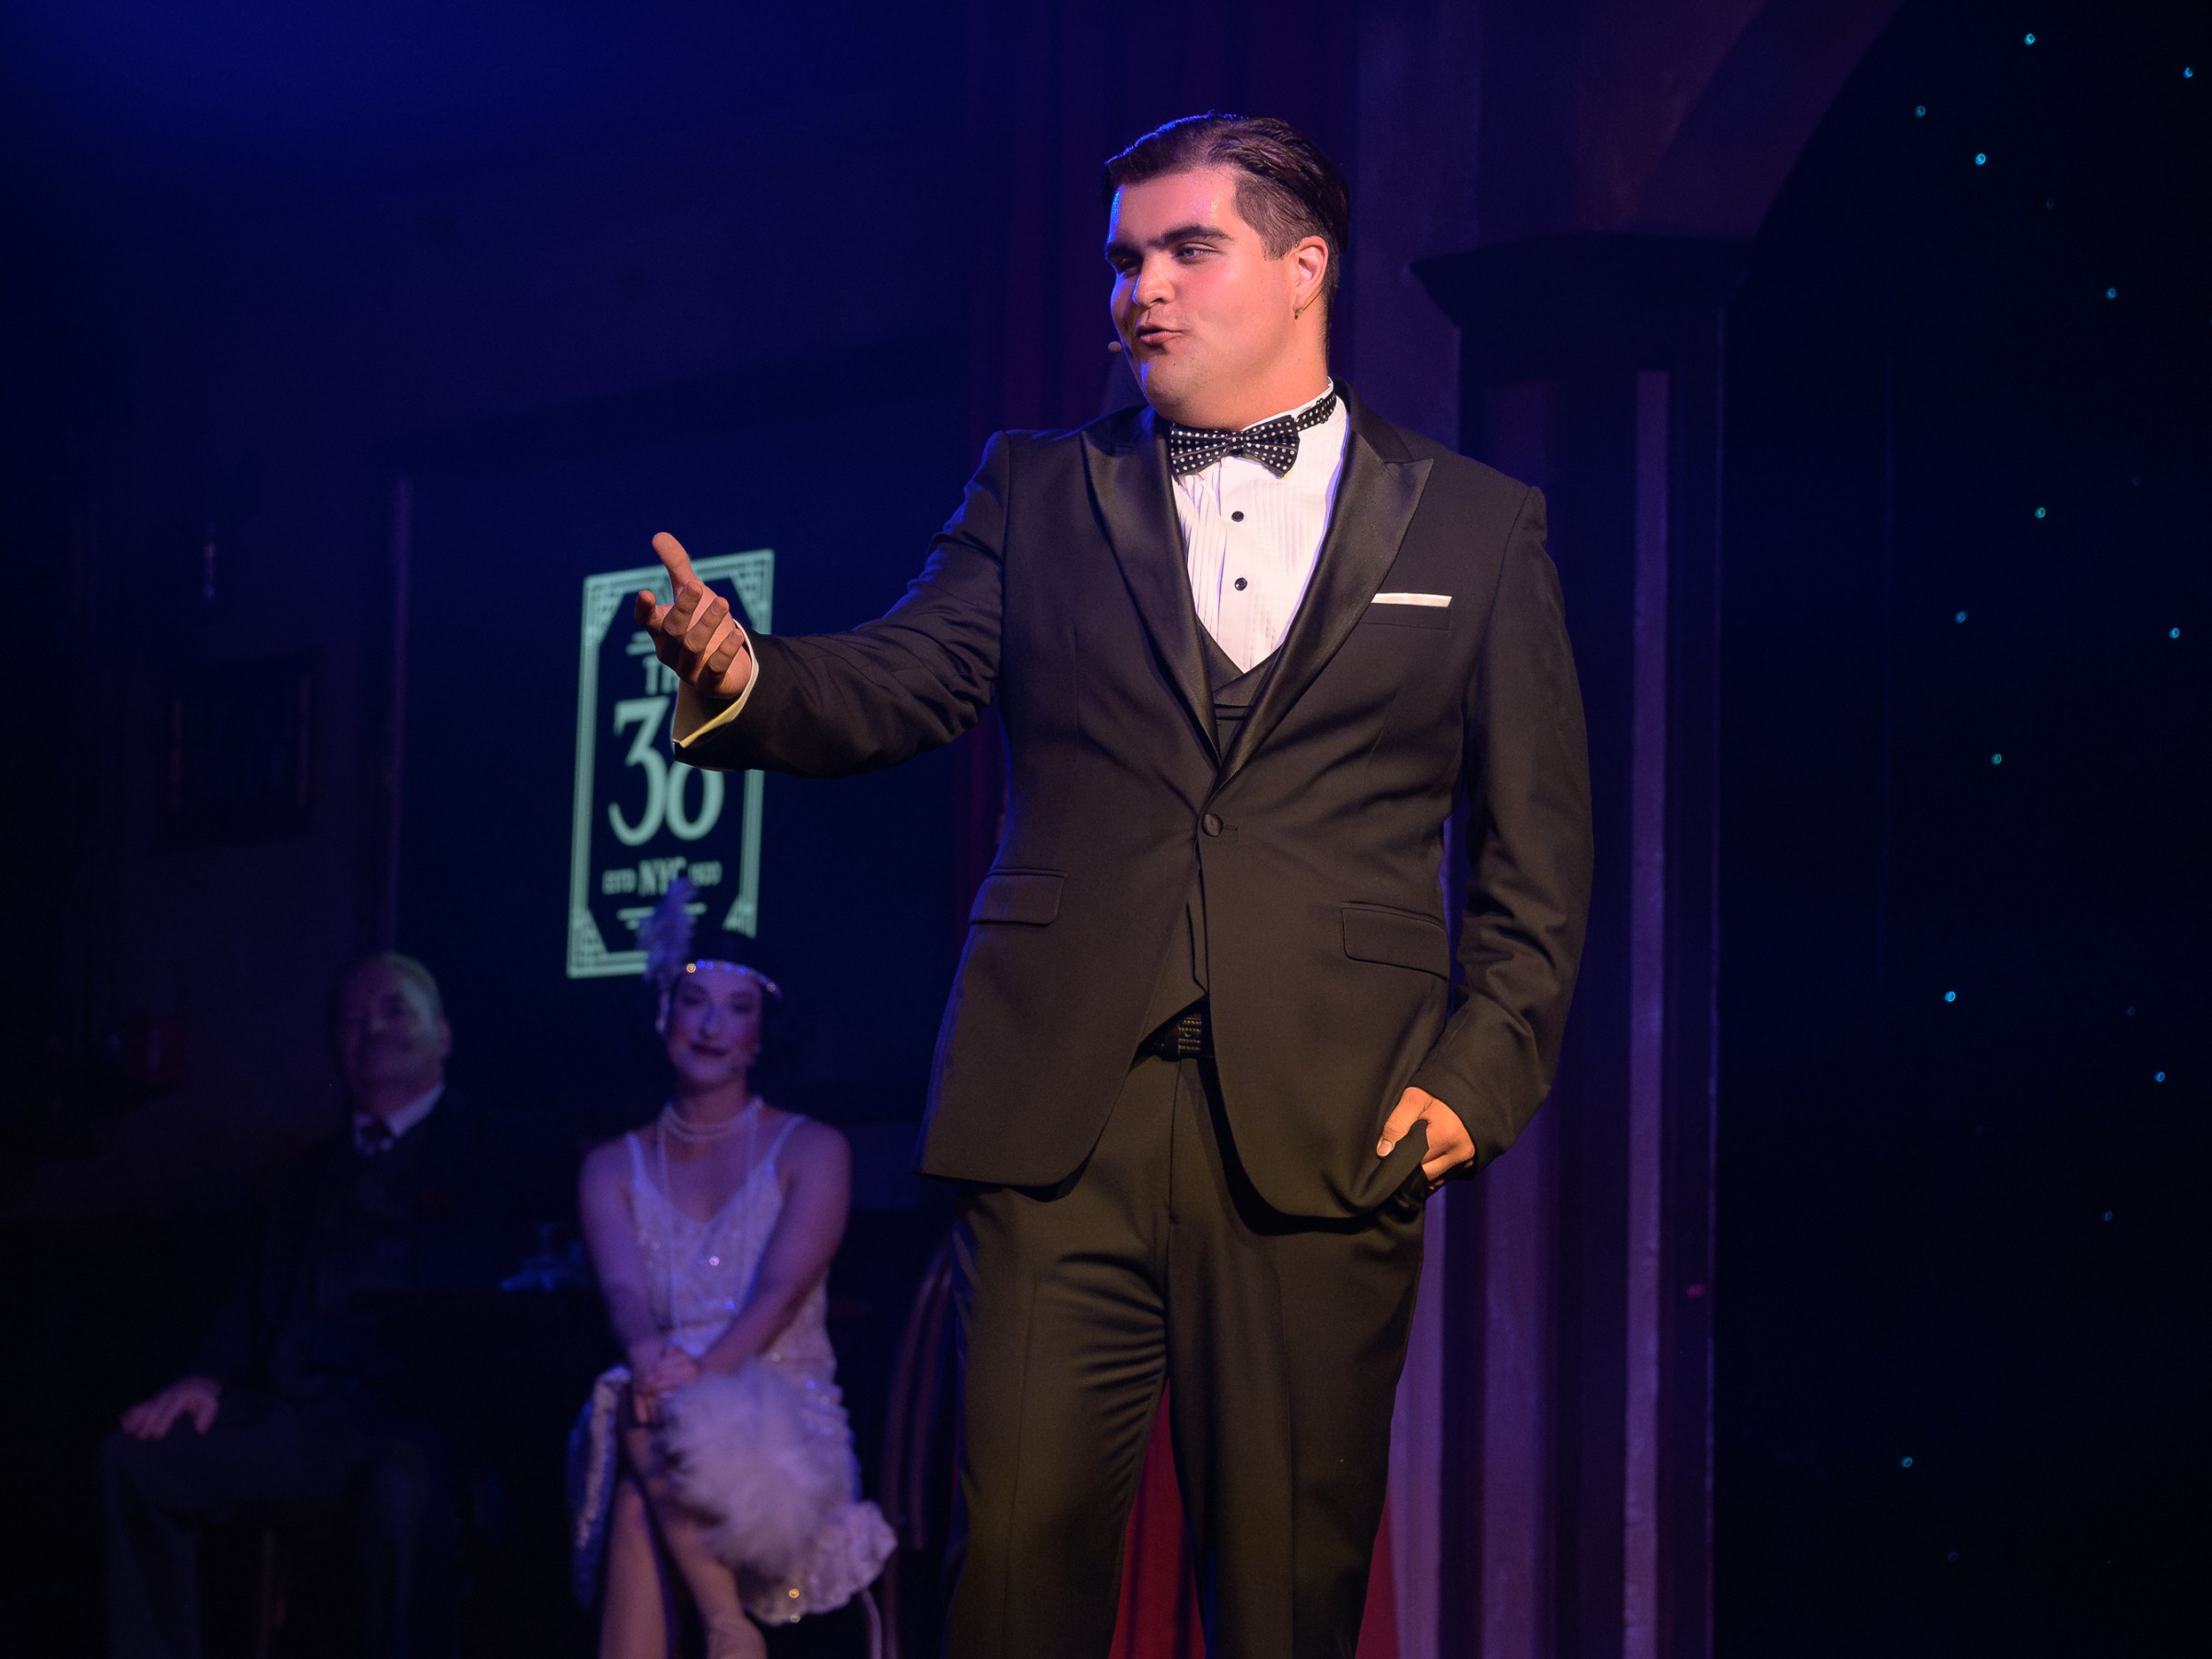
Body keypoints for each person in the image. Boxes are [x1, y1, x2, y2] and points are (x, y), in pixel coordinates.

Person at [634, 112, 1593, 1658]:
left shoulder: (1477, 529)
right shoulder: (1036, 489)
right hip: (1053, 1110)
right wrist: (754, 676)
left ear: (1302, 268)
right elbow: (901, 678)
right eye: (1122, 259)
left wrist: (1481, 1076)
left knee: (1286, 1595)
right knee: (1011, 1578)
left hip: (1331, 1123)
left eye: (1184, 249)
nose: (1138, 287)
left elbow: (1540, 855)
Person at [102, 953, 536, 1659]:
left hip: (418, 1424)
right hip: (299, 1419)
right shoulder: (305, 1173)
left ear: (443, 1035)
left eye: (395, 1010)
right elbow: (252, 1296)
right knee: (137, 1460)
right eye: (352, 1020)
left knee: (405, 1492)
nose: (372, 1029)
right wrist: (204, 1377)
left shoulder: (495, 1152)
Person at [569, 885, 893, 1659]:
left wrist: (701, 1376)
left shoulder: (814, 1150)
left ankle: (724, 1625)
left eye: (736, 1008)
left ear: (760, 1031)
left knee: (650, 1438)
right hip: (661, 1404)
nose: (712, 1026)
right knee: (638, 1403)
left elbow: (782, 1293)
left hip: (784, 1409)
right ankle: (727, 1629)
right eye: (695, 1002)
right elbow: (620, 1289)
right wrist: (650, 1356)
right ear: (664, 1015)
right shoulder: (611, 1164)